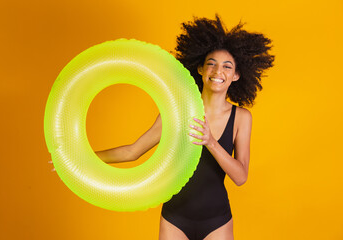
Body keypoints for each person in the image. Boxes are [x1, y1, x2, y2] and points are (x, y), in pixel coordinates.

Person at [52, 15, 274, 240]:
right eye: (211, 64)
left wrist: (210, 142)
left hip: (217, 220)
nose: (218, 72)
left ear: (236, 75)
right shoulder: (177, 111)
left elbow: (240, 176)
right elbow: (132, 151)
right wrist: (76, 159)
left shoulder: (241, 118)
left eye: (227, 66)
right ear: (199, 69)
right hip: (175, 218)